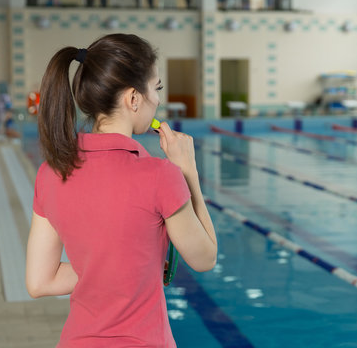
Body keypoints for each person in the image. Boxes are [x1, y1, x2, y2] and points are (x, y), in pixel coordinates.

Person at [25, 33, 217, 347]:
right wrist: (189, 173)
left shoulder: (50, 173)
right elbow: (205, 258)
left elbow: (39, 281)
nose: (158, 100)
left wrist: (109, 265)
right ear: (133, 99)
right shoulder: (160, 175)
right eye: (156, 88)